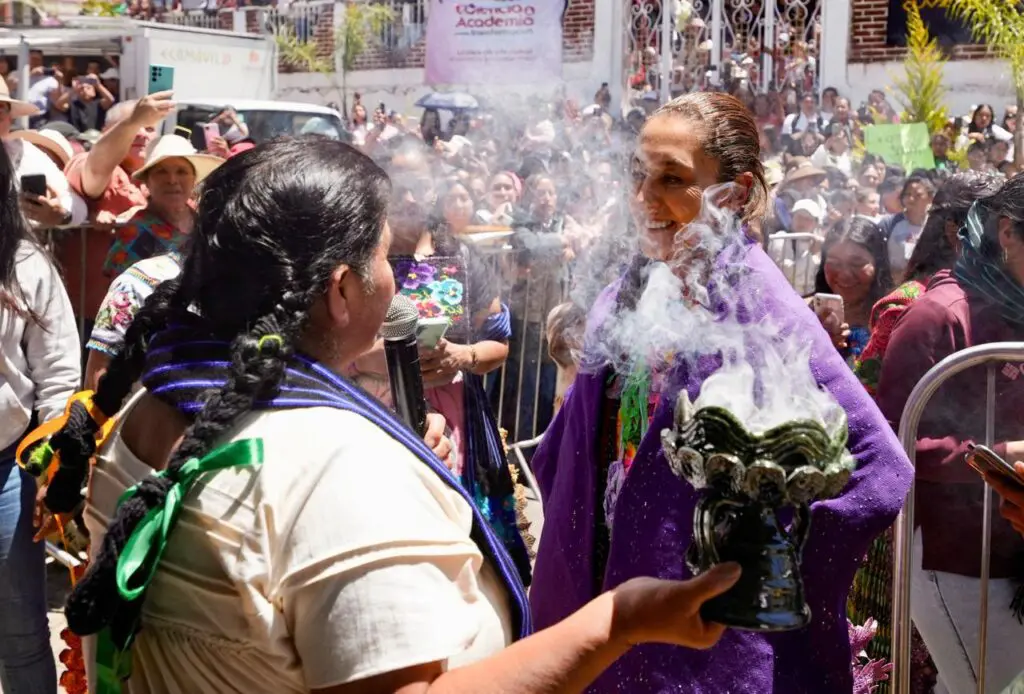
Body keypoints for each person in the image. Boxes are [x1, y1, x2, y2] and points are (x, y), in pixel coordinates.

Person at [32, 137, 742, 693]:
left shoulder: (150, 400)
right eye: (380, 256)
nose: (395, 281)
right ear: (342, 290)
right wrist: (616, 622)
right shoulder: (336, 465)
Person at [530, 91, 912, 693]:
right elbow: (570, 447)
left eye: (671, 179)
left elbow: (877, 466)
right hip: (599, 614)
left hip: (701, 648)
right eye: (637, 175)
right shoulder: (627, 290)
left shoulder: (759, 305)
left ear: (733, 193)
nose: (644, 197)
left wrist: (768, 577)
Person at [876, 173, 1024, 694]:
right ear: (1007, 232)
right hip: (956, 561)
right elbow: (890, 446)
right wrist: (1001, 454)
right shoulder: (938, 315)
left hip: (1013, 556)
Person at [347, 179, 531, 576]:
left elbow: (499, 345)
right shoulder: (355, 256)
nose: (410, 196)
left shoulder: (460, 256)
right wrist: (369, 360)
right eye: (399, 184)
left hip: (456, 420)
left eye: (420, 185)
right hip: (370, 413)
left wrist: (462, 355)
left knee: (455, 532)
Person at [0, 140, 80, 692]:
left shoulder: (27, 264)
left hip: (7, 468)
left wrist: (56, 468)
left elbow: (58, 374)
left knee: (22, 630)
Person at [83, 134, 222, 389]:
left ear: (194, 179)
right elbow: (119, 308)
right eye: (162, 172)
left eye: (181, 171)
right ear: (147, 181)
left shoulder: (206, 225)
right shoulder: (135, 233)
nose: (172, 180)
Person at [813, 217, 893, 363]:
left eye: (856, 264)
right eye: (834, 263)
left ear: (878, 265)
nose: (844, 274)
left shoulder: (893, 318)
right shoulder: (806, 313)